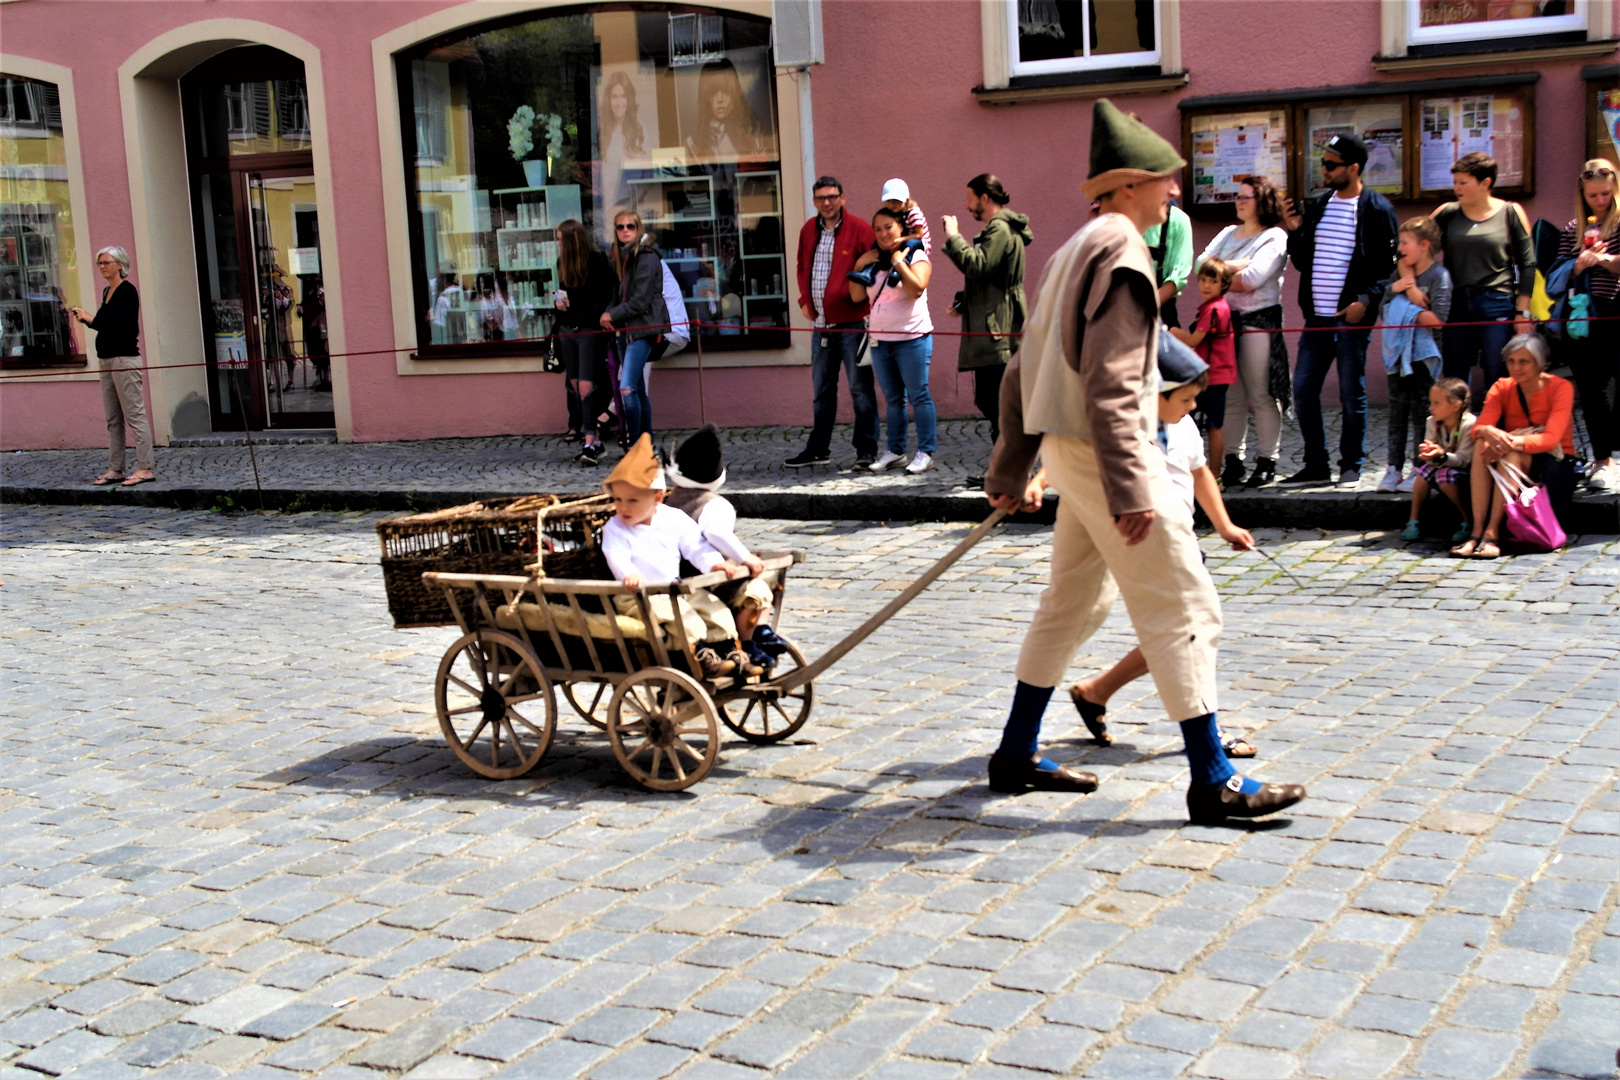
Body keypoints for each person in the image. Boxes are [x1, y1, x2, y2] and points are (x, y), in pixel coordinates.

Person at [983, 98, 1305, 825]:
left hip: (1074, 455)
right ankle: (1214, 780)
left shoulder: (1070, 252)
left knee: (1073, 602)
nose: (1175, 194)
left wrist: (1011, 468)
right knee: (1188, 604)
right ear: (1127, 183)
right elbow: (1114, 383)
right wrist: (1133, 490)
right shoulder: (1124, 255)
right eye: (1164, 181)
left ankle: (1015, 751)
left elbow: (1021, 371)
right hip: (1108, 458)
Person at [1067, 334, 1258, 759]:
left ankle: (1097, 692)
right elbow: (1077, 457)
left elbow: (1201, 473)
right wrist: (1041, 481)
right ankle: (1209, 734)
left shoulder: (1182, 422)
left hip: (1182, 538)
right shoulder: (1124, 429)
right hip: (1147, 540)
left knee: (1183, 630)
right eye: (1187, 398)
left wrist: (1224, 525)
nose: (1193, 407)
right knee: (1190, 628)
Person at [1281, 133, 1398, 487]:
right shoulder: (1318, 206)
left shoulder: (1377, 209)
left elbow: (1387, 269)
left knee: (1351, 393)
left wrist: (1365, 301)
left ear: (1354, 168)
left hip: (1350, 318)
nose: (1325, 170)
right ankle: (1316, 465)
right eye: (1323, 164)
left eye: (1331, 165)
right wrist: (1294, 231)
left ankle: (1351, 464)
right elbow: (1302, 262)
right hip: (1316, 317)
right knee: (1302, 391)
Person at [601, 434, 759, 678]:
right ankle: (702, 657)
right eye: (618, 500)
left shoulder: (672, 518)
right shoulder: (615, 528)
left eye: (632, 500)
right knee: (684, 620)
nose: (623, 507)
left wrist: (714, 564)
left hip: (674, 588)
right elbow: (615, 554)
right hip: (638, 595)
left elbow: (696, 546)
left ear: (657, 498)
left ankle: (731, 651)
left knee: (716, 610)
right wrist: (628, 574)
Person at [1197, 177, 1290, 489]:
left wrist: (1219, 271)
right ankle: (1233, 460)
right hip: (1223, 323)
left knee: (1262, 394)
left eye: (1246, 197)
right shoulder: (1227, 233)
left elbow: (1251, 279)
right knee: (1231, 395)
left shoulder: (1274, 237)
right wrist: (1236, 263)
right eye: (1237, 197)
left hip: (1257, 323)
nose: (1238, 202)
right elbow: (1200, 266)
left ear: (1262, 201)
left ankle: (1267, 460)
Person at [665, 424, 782, 671]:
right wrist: (746, 557)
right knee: (763, 582)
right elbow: (716, 532)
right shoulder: (715, 504)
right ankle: (751, 639)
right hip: (708, 577)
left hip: (680, 572)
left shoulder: (671, 498)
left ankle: (753, 635)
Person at [1452, 334, 1576, 559]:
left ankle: (1492, 533)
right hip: (1513, 456)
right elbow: (1478, 429)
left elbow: (1550, 439)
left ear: (1541, 364)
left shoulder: (1561, 387)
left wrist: (1507, 442)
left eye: (1524, 361)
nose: (1516, 367)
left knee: (1509, 452)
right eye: (1511, 361)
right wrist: (1488, 431)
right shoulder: (1502, 386)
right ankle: (1477, 530)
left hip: (1554, 463)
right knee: (1482, 442)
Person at [787, 176, 880, 469]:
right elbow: (802, 266)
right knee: (822, 391)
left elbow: (877, 266)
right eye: (820, 198)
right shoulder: (807, 230)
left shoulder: (860, 229)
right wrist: (804, 301)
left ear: (842, 198)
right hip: (821, 325)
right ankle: (818, 449)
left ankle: (866, 450)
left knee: (860, 390)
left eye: (832, 197)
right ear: (814, 201)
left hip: (852, 323)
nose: (826, 203)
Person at [941, 173, 1032, 456]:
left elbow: (978, 265)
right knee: (993, 400)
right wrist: (964, 302)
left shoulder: (1000, 230)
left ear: (984, 197)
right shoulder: (1000, 229)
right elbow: (990, 277)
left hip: (998, 329)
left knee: (996, 401)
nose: (967, 207)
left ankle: (1009, 468)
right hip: (996, 323)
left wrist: (954, 237)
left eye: (969, 199)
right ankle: (1004, 466)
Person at [1433, 153, 1535, 397]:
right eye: (1455, 182)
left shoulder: (1510, 211)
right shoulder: (1448, 213)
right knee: (1454, 371)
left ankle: (1498, 430)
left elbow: (1528, 263)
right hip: (1456, 300)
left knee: (1496, 368)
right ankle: (1457, 432)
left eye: (1463, 182)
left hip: (1496, 300)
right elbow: (1415, 244)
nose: (1456, 188)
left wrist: (1523, 312)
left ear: (1485, 182)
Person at [851, 206, 936, 475]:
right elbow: (856, 296)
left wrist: (899, 261)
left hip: (912, 338)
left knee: (918, 395)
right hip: (880, 340)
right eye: (878, 229)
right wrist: (859, 265)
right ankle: (896, 451)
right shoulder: (874, 260)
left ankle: (925, 452)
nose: (883, 233)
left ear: (901, 227)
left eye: (888, 227)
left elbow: (916, 288)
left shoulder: (916, 253)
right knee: (892, 399)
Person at [1377, 217, 1453, 493]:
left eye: (1405, 243)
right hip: (1397, 354)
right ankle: (1392, 468)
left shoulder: (1438, 276)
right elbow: (1384, 308)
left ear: (1424, 246)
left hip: (1424, 356)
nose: (1400, 248)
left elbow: (1438, 319)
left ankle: (1418, 467)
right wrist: (1396, 291)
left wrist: (1410, 308)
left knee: (1423, 412)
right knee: (1397, 412)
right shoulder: (1400, 274)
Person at [1556, 159, 1619, 491]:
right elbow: (1557, 270)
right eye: (1593, 195)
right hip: (1581, 315)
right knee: (1591, 390)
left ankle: (1611, 451)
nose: (1600, 200)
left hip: (1615, 310)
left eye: (1606, 194)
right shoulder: (1572, 228)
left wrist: (1604, 260)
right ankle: (1603, 459)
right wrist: (1578, 264)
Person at [70, 246, 154, 487]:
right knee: (113, 418)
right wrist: (89, 320)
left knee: (134, 415)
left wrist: (91, 319)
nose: (103, 267)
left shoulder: (127, 291)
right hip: (106, 359)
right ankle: (115, 468)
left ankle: (145, 467)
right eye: (100, 263)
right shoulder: (107, 291)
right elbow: (104, 325)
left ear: (120, 264)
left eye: (107, 262)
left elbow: (120, 326)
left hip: (123, 359)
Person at [600, 210, 668, 446]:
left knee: (627, 387)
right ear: (616, 231)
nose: (625, 230)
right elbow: (620, 296)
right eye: (620, 227)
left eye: (630, 226)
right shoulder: (624, 256)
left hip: (642, 329)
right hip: (626, 330)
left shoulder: (646, 257)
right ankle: (644, 443)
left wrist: (612, 313)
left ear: (638, 229)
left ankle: (635, 442)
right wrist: (608, 312)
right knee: (637, 388)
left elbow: (640, 301)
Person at [553, 219, 618, 463]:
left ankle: (590, 440)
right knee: (574, 383)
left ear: (570, 241)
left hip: (589, 329)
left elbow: (603, 299)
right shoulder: (562, 263)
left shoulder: (598, 261)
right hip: (567, 329)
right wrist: (558, 304)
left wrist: (576, 308)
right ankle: (596, 441)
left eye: (560, 239)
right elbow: (564, 296)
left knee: (586, 386)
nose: (557, 244)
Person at [1171, 259, 1236, 478]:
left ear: (1224, 284)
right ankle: (1204, 473)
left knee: (1212, 426)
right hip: (1215, 374)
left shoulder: (1214, 309)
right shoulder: (1215, 307)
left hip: (1213, 376)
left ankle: (1214, 475)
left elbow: (1193, 340)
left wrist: (1170, 331)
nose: (1206, 285)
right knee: (1204, 424)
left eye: (1213, 281)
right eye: (1203, 280)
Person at [1400, 377, 1475, 543]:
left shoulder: (1469, 425)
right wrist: (1429, 452)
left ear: (1455, 406)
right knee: (1422, 473)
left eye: (1436, 403)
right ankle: (1414, 519)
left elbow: (1464, 459)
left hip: (1463, 472)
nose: (1430, 407)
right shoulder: (1432, 422)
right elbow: (1431, 448)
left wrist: (1441, 456)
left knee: (1444, 476)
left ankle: (1467, 519)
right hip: (1440, 465)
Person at [596, 71, 646, 243]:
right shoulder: (602, 136)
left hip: (629, 220)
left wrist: (624, 207)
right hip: (604, 217)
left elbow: (645, 183)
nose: (619, 102)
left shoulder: (638, 136)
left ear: (629, 99)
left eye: (623, 96)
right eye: (614, 97)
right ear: (608, 101)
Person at [1144, 198, 1192, 328]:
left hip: (1161, 309)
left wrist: (1142, 310)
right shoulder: (1122, 217)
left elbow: (1178, 276)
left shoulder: (1178, 220)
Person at [879, 177, 931, 251]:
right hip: (906, 238)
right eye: (888, 201)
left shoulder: (914, 213)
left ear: (906, 200)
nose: (892, 204)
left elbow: (919, 235)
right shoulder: (898, 212)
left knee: (909, 244)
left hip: (920, 243)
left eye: (896, 200)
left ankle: (905, 260)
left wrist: (902, 239)